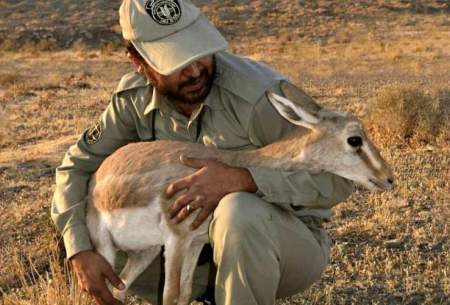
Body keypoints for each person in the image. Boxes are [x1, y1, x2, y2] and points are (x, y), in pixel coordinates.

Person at [51, 1, 353, 305]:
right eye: (176, 61)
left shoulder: (259, 96)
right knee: (89, 227)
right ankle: (211, 292)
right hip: (190, 251)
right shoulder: (132, 100)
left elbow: (337, 178)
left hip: (283, 245)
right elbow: (75, 168)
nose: (195, 70)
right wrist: (79, 249)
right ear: (137, 61)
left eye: (199, 51)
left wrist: (246, 180)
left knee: (238, 211)